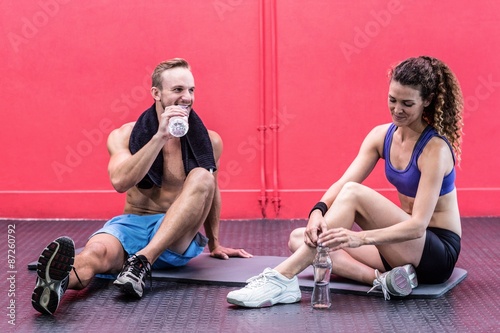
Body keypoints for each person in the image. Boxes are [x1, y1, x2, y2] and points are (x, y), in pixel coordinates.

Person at [227, 55, 464, 307]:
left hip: (434, 253)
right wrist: (317, 212)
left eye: (407, 103)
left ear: (426, 101)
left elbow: (418, 226)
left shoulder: (435, 150)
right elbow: (343, 181)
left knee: (353, 194)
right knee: (300, 240)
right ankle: (384, 280)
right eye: (392, 100)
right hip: (399, 250)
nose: (397, 109)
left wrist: (358, 238)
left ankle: (282, 277)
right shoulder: (381, 136)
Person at [32, 58, 252, 315]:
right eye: (178, 90)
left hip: (176, 236)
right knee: (96, 252)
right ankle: (55, 285)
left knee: (204, 176)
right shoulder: (123, 135)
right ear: (156, 93)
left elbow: (209, 193)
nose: (187, 97)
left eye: (191, 90)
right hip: (133, 224)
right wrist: (160, 137)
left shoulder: (210, 141)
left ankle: (142, 261)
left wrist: (214, 243)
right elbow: (120, 182)